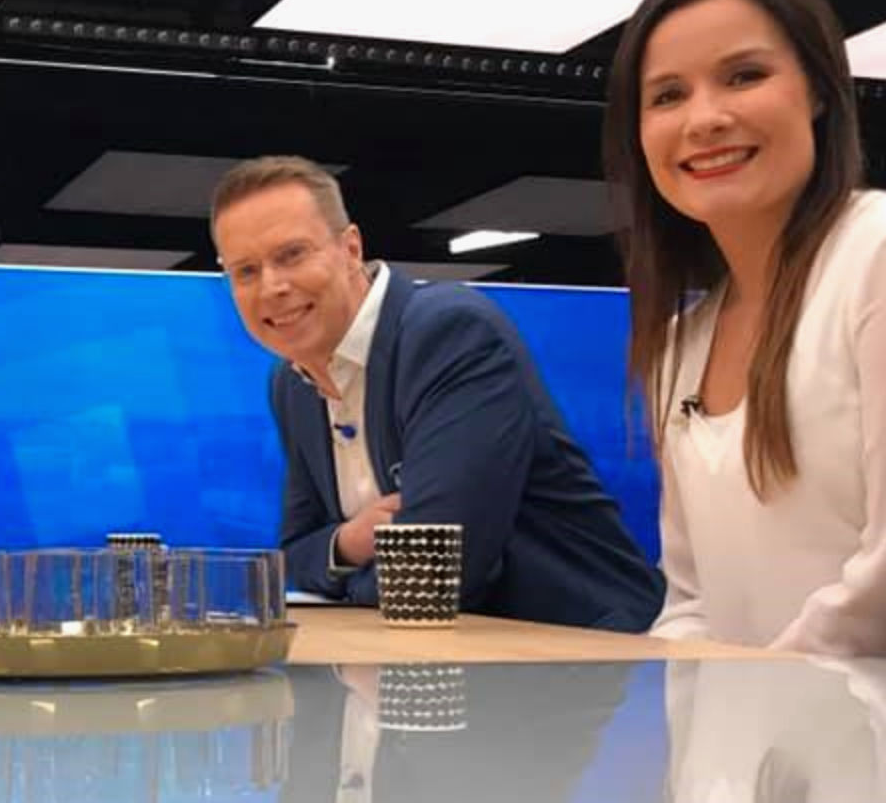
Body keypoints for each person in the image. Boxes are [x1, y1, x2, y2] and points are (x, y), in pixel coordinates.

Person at [604, 0, 886, 666]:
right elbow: (692, 602)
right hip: (754, 727)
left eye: (744, 76)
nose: (705, 118)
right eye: (667, 95)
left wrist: (757, 697)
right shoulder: (680, 343)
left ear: (817, 90)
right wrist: (672, 718)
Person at [212, 156, 663, 630]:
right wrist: (351, 541)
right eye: (245, 271)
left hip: (588, 650)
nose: (272, 286)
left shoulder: (448, 333)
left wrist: (348, 582)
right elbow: (295, 553)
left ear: (350, 249)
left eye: (292, 255)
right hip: (442, 652)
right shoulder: (290, 384)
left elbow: (435, 575)